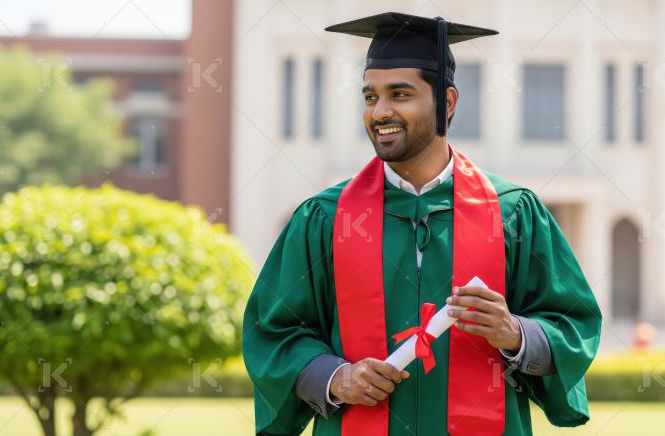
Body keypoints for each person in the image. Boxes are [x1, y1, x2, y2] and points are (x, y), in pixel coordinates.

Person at [242, 12, 602, 436]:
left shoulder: (512, 214)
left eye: (400, 94)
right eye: (371, 96)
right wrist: (334, 377)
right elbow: (274, 331)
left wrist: (515, 334)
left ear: (446, 103)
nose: (381, 111)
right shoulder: (326, 218)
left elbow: (573, 323)